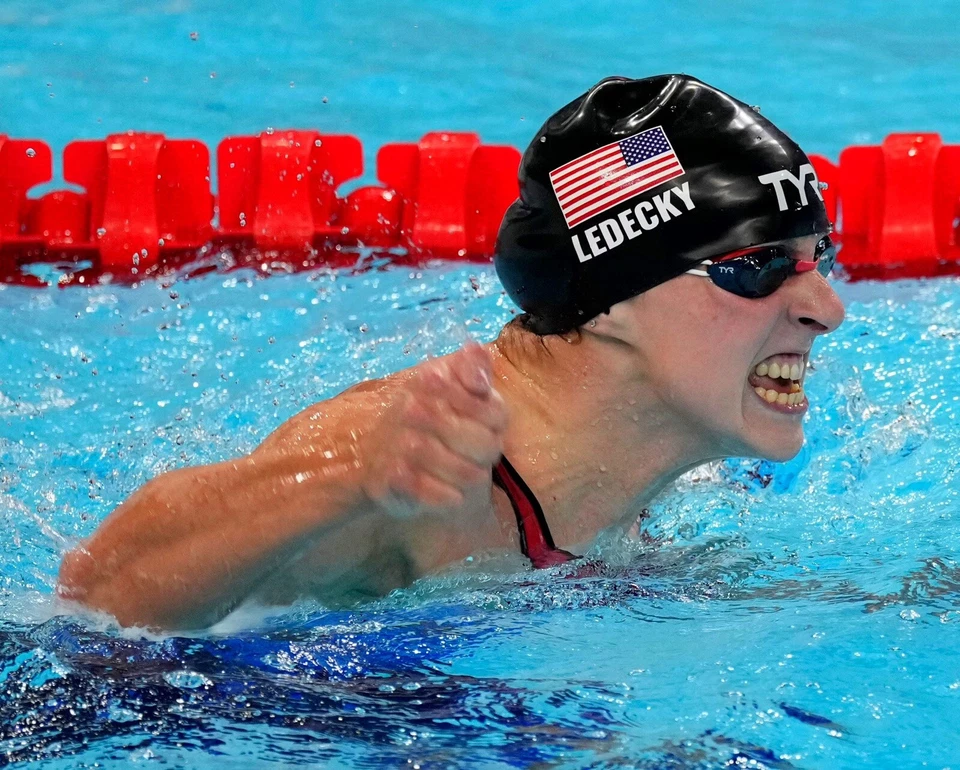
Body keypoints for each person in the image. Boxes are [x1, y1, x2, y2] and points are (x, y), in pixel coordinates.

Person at [57, 74, 845, 630]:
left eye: (822, 256)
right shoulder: (422, 484)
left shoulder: (632, 463)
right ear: (610, 302)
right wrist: (343, 480)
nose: (826, 308)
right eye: (757, 265)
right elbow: (101, 594)